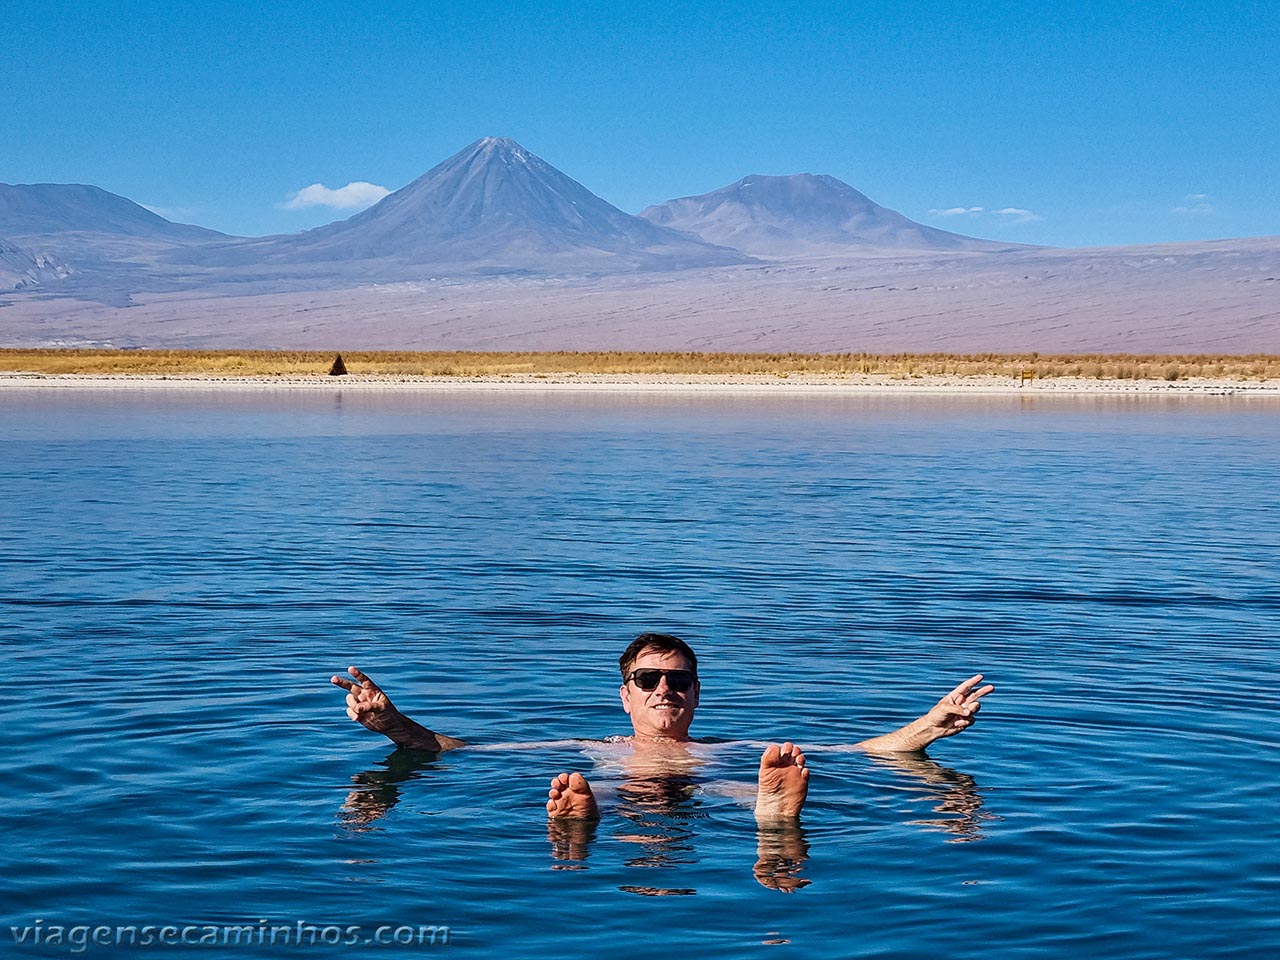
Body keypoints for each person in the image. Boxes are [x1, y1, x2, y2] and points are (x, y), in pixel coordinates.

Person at [330, 632, 993, 826]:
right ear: (626, 695)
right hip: (616, 788)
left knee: (738, 790)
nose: (664, 689)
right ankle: (577, 823)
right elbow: (458, 749)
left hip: (710, 788)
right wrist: (393, 724)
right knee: (602, 793)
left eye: (677, 680)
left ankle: (773, 820)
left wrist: (930, 724)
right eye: (649, 680)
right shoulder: (590, 749)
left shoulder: (728, 749)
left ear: (698, 693)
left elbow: (860, 751)